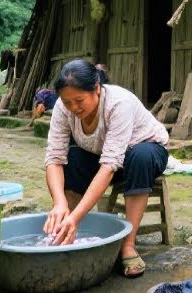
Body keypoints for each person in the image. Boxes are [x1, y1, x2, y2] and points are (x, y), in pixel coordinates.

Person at [43, 59, 169, 278]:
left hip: (143, 154)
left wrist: (78, 216)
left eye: (79, 100)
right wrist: (59, 203)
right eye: (67, 102)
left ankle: (128, 245)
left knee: (141, 157)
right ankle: (65, 232)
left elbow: (110, 166)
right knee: (70, 160)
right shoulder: (63, 109)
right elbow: (54, 158)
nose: (74, 108)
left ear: (97, 89)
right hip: (101, 155)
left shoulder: (119, 103)